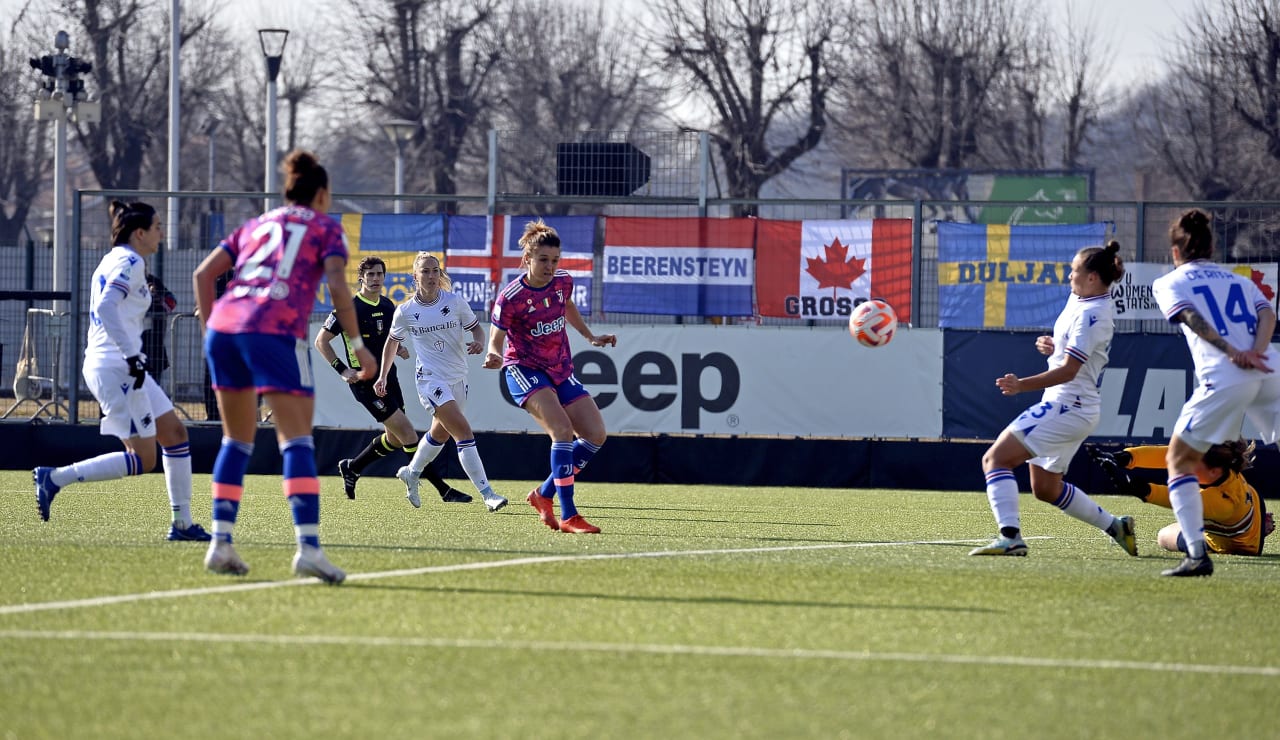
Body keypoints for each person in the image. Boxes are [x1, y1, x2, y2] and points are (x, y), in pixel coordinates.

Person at [193, 149, 374, 584]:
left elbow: (203, 275)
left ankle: (220, 543)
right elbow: (336, 284)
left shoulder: (256, 224)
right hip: (274, 330)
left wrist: (210, 333)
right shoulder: (327, 227)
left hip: (224, 328)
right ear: (323, 194)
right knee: (297, 442)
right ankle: (308, 549)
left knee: (236, 441)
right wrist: (356, 344)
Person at [32, 201, 210, 542]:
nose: (162, 232)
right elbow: (105, 306)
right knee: (143, 459)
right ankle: (54, 478)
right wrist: (131, 355)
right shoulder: (129, 262)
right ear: (139, 233)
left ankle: (183, 524)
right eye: (157, 226)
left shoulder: (119, 259)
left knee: (174, 433)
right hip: (119, 367)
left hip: (122, 365)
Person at [971, 241, 1136, 558]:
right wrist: (1054, 345)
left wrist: (1021, 385)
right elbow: (1071, 353)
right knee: (1046, 488)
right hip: (1072, 407)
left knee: (995, 459)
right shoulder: (1080, 298)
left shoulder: (1095, 315)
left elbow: (1070, 371)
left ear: (1092, 277)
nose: (1069, 276)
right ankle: (1116, 526)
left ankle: (1010, 537)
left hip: (1067, 405)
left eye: (1075, 271)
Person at [1149, 208, 1280, 577]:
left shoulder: (1168, 281)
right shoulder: (1237, 279)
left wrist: (1233, 352)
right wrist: (1257, 350)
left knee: (1178, 461)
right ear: (1213, 249)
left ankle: (1195, 554)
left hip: (1227, 374)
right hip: (1269, 364)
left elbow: (1190, 316)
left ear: (1176, 252)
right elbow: (1268, 314)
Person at [482, 220, 616, 534]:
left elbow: (566, 306)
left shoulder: (563, 282)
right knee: (562, 431)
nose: (550, 266)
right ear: (527, 259)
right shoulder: (511, 296)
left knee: (596, 435)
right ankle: (569, 516)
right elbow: (496, 335)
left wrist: (590, 336)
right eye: (543, 260)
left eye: (555, 260)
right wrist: (492, 352)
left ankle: (543, 495)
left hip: (560, 368)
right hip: (524, 370)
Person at [313, 255, 471, 504]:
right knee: (408, 433)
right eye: (371, 274)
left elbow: (388, 338)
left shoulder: (388, 306)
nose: (376, 279)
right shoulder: (348, 309)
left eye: (379, 274)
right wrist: (343, 370)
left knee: (395, 438)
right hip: (366, 383)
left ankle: (353, 467)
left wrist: (399, 350)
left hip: (388, 380)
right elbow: (321, 342)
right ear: (361, 278)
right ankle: (443, 490)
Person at [375, 252, 508, 512]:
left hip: (457, 377)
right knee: (463, 433)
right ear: (415, 276)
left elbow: (476, 328)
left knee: (440, 433)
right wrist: (382, 376)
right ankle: (488, 494)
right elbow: (392, 342)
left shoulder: (455, 302)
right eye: (425, 271)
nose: (431, 276)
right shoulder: (406, 311)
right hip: (430, 379)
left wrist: (480, 341)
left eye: (435, 270)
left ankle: (412, 472)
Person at [1087, 441, 1273, 556]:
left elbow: (1176, 498)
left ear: (1214, 471)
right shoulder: (1220, 467)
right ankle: (1252, 526)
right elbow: (1171, 455)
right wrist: (1125, 457)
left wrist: (1136, 488)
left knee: (1163, 536)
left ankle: (1250, 533)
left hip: (1233, 545)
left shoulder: (1223, 502)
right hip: (1250, 505)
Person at [141, 272, 176, 383]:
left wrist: (157, 300)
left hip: (155, 342)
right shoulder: (127, 280)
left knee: (154, 380)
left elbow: (172, 302)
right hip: (133, 342)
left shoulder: (154, 281)